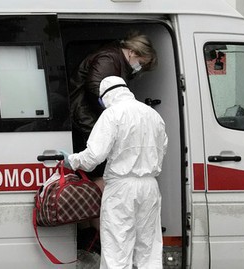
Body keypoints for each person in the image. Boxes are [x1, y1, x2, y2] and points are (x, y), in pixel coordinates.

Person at [62, 76, 168, 269]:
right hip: (150, 186)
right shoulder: (153, 115)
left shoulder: (112, 114)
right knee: (149, 250)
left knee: (117, 249)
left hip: (121, 188)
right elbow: (162, 148)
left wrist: (73, 160)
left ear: (105, 96)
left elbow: (94, 156)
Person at [68, 31, 158, 244]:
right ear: (133, 52)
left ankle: (92, 238)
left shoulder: (113, 59)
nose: (140, 69)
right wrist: (117, 117)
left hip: (87, 121)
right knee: (102, 183)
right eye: (141, 63)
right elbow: (96, 87)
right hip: (87, 122)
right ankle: (100, 240)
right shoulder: (110, 58)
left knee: (96, 181)